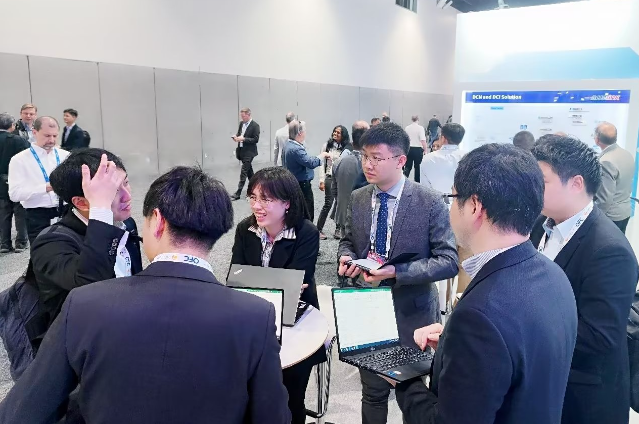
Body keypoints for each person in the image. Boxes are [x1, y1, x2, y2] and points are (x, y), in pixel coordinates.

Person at [0, 166, 291, 424]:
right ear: (219, 229)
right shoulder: (256, 315)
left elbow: (22, 412)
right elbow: (273, 417)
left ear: (158, 221)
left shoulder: (84, 304)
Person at [392, 143, 578, 424]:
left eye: (454, 197)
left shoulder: (479, 316)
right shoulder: (554, 274)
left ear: (474, 206)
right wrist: (454, 346)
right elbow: (518, 356)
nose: (451, 208)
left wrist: (404, 380)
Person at [337, 123, 458, 424]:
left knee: (412, 395)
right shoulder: (359, 197)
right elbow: (348, 240)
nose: (368, 164)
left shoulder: (429, 201)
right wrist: (346, 257)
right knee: (372, 392)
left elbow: (448, 261)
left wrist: (396, 272)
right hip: (368, 309)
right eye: (365, 156)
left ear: (401, 160)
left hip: (413, 314)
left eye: (377, 158)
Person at [530, 135, 638, 424]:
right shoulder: (541, 225)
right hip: (547, 380)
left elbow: (599, 337)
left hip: (583, 395)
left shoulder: (609, 250)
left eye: (542, 181)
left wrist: (521, 329)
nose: (532, 188)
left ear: (576, 183)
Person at [231, 166, 325, 424]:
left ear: (287, 203)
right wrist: (277, 283)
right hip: (253, 321)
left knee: (291, 399)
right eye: (253, 197)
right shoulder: (245, 229)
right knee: (250, 396)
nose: (256, 206)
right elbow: (235, 278)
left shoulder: (306, 232)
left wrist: (254, 281)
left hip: (295, 322)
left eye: (266, 199)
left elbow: (297, 282)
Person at [28, 148, 143, 338]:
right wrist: (100, 211)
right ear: (81, 203)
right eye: (113, 191)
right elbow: (93, 286)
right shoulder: (51, 243)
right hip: (82, 339)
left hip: (125, 324)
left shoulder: (125, 223)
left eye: (126, 182)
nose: (128, 196)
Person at [8, 116, 70, 244]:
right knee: (42, 253)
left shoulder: (65, 156)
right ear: (34, 132)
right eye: (47, 135)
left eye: (54, 136)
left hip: (66, 212)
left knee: (69, 250)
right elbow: (14, 194)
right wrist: (46, 187)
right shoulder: (19, 160)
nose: (51, 140)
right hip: (37, 215)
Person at [283, 120, 331, 222]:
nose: (305, 133)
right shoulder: (296, 149)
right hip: (302, 185)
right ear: (300, 133)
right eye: (305, 131)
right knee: (307, 212)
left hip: (294, 181)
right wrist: (322, 155)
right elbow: (310, 163)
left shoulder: (288, 144)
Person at [592, 122, 634, 233]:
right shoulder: (627, 154)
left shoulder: (605, 162)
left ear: (597, 140)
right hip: (625, 212)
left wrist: (593, 219)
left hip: (611, 217)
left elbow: (604, 200)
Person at [333, 121, 370, 240]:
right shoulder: (371, 165)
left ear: (352, 142)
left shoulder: (338, 162)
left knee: (346, 245)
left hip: (344, 214)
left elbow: (334, 191)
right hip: (365, 217)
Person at [0, 113, 29, 253]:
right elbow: (29, 160)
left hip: (0, 184)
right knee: (20, 212)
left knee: (3, 214)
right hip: (17, 180)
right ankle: (21, 243)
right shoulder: (19, 141)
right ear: (12, 126)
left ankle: (4, 244)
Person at [317, 125, 351, 240]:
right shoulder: (327, 145)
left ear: (343, 135)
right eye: (334, 132)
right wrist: (321, 180)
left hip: (341, 178)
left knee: (340, 204)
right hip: (330, 177)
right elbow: (321, 164)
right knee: (328, 203)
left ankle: (338, 229)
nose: (335, 134)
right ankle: (318, 229)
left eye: (338, 132)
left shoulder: (346, 148)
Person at [421, 123, 466, 194]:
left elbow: (425, 188)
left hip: (434, 199)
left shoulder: (427, 159)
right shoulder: (468, 158)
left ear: (443, 138)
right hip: (461, 199)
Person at [231, 107, 260, 200]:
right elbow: (239, 133)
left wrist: (244, 139)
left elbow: (256, 139)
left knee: (243, 172)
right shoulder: (241, 124)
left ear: (248, 115)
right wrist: (236, 137)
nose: (242, 118)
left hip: (249, 152)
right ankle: (256, 188)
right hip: (242, 150)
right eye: (241, 116)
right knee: (249, 172)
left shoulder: (255, 125)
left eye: (243, 116)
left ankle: (238, 193)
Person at [404, 115, 427, 183]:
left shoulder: (407, 128)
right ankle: (417, 182)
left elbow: (405, 139)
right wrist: (425, 150)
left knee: (408, 166)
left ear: (412, 120)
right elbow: (423, 140)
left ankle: (404, 180)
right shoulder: (420, 128)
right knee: (417, 167)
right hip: (418, 149)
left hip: (409, 149)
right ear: (418, 120)